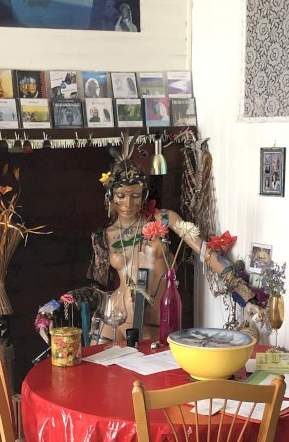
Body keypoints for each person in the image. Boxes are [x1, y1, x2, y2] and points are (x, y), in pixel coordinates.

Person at [88, 137, 262, 343]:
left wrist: (245, 295)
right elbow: (98, 290)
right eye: (120, 196)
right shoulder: (103, 236)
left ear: (144, 195)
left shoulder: (164, 218)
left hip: (154, 325)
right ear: (110, 196)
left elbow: (206, 252)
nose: (128, 203)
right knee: (94, 364)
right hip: (113, 323)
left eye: (135, 195)